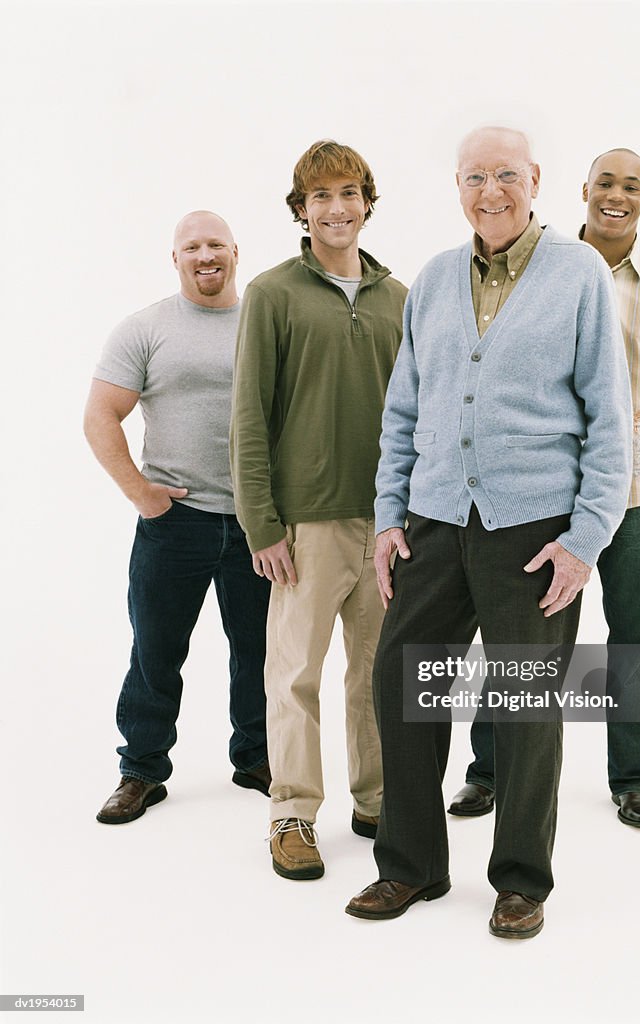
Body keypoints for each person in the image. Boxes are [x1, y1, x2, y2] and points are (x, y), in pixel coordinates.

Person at [345, 126, 632, 939]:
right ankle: (409, 868)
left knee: (524, 709)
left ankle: (518, 880)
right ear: (457, 186)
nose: (490, 191)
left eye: (506, 174)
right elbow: (402, 410)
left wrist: (584, 540)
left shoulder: (577, 274)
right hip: (434, 523)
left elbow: (611, 420)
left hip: (532, 531)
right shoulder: (433, 279)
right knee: (402, 690)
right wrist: (388, 516)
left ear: (536, 181)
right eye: (474, 176)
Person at [452, 148, 640, 829]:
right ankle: (489, 768)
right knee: (517, 638)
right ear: (583, 191)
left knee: (631, 636)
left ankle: (632, 777)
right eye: (604, 183)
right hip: (542, 491)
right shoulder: (541, 267)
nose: (615, 195)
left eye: (631, 186)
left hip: (629, 492)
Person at [230, 141, 407, 881]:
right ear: (300, 210)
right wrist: (261, 523)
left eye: (348, 193)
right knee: (294, 673)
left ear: (366, 202)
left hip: (389, 523)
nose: (337, 208)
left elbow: (416, 414)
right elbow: (247, 416)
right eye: (321, 196)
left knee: (375, 673)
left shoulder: (401, 297)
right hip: (305, 525)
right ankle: (292, 814)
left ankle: (375, 801)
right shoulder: (273, 292)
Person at [85, 211, 272, 826]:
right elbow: (100, 416)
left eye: (215, 244)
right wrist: (143, 494)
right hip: (175, 522)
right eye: (191, 247)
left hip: (257, 524)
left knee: (261, 651)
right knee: (155, 651)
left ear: (236, 252)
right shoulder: (146, 328)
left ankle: (257, 758)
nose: (204, 255)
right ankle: (141, 770)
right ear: (175, 259)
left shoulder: (267, 322)